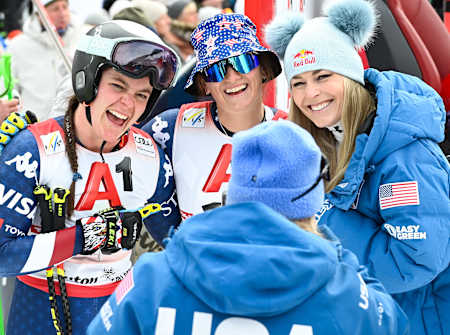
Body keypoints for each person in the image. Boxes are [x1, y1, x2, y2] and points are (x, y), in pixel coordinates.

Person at [87, 120, 410, 335]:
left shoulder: (152, 278)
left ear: (233, 195)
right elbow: (394, 323)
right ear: (310, 206)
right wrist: (339, 257)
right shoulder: (349, 294)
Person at [265, 0, 450, 334]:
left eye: (323, 76)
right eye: (299, 82)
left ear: (351, 77)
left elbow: (414, 258)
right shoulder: (329, 138)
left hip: (419, 317)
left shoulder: (405, 156)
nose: (311, 93)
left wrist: (320, 217)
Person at [0, 19, 181, 335]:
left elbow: (178, 240)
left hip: (114, 311)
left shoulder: (149, 153)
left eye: (142, 95)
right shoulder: (33, 149)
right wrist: (89, 235)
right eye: (118, 85)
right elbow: (3, 255)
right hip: (39, 311)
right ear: (88, 82)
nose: (128, 104)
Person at [7, 0, 83, 121]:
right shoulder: (19, 46)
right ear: (39, 13)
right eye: (55, 9)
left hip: (71, 128)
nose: (62, 14)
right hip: (33, 128)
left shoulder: (82, 40)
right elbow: (9, 88)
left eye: (65, 7)